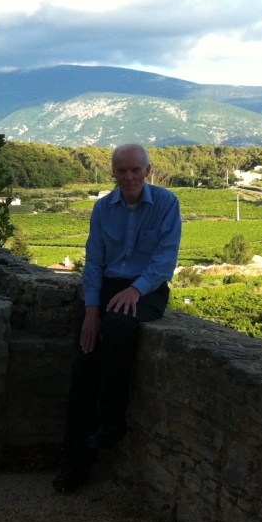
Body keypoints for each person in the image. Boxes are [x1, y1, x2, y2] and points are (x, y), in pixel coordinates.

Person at [53, 142, 181, 493]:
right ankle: (74, 465)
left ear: (147, 171)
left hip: (148, 290)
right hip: (108, 288)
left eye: (135, 170)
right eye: (122, 171)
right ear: (113, 173)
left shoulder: (168, 204)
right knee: (84, 361)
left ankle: (111, 420)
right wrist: (91, 310)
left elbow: (164, 262)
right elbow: (93, 263)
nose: (129, 177)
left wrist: (136, 290)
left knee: (122, 325)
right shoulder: (102, 209)